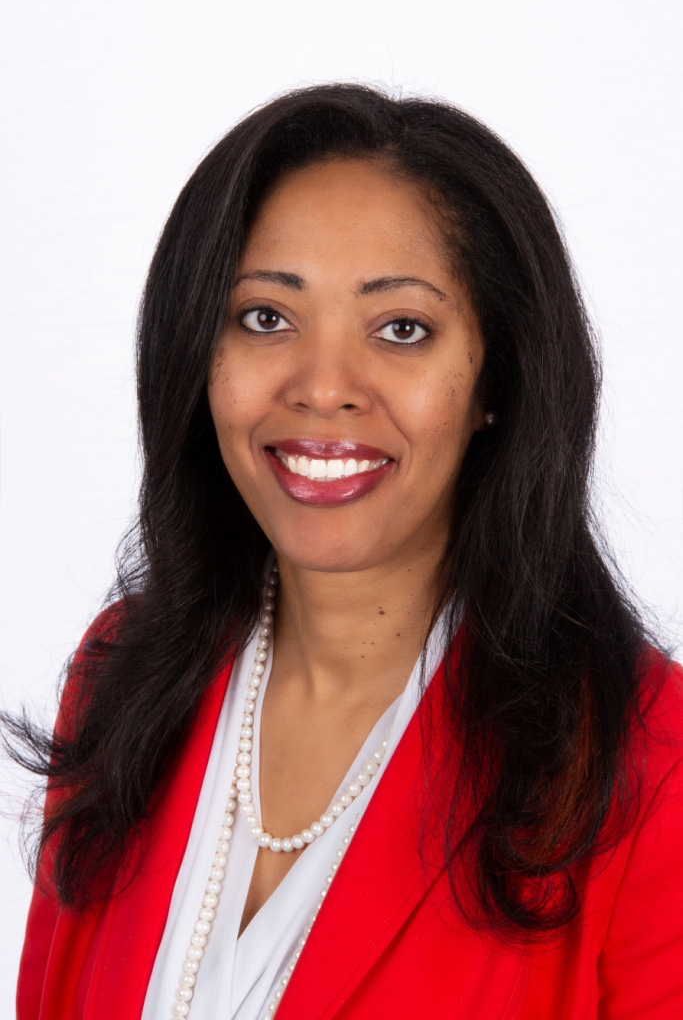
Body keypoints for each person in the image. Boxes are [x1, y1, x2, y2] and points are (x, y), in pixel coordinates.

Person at [9, 83, 683, 1019]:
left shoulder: (649, 764)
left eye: (400, 329)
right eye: (265, 318)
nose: (323, 388)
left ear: (497, 380)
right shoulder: (126, 673)